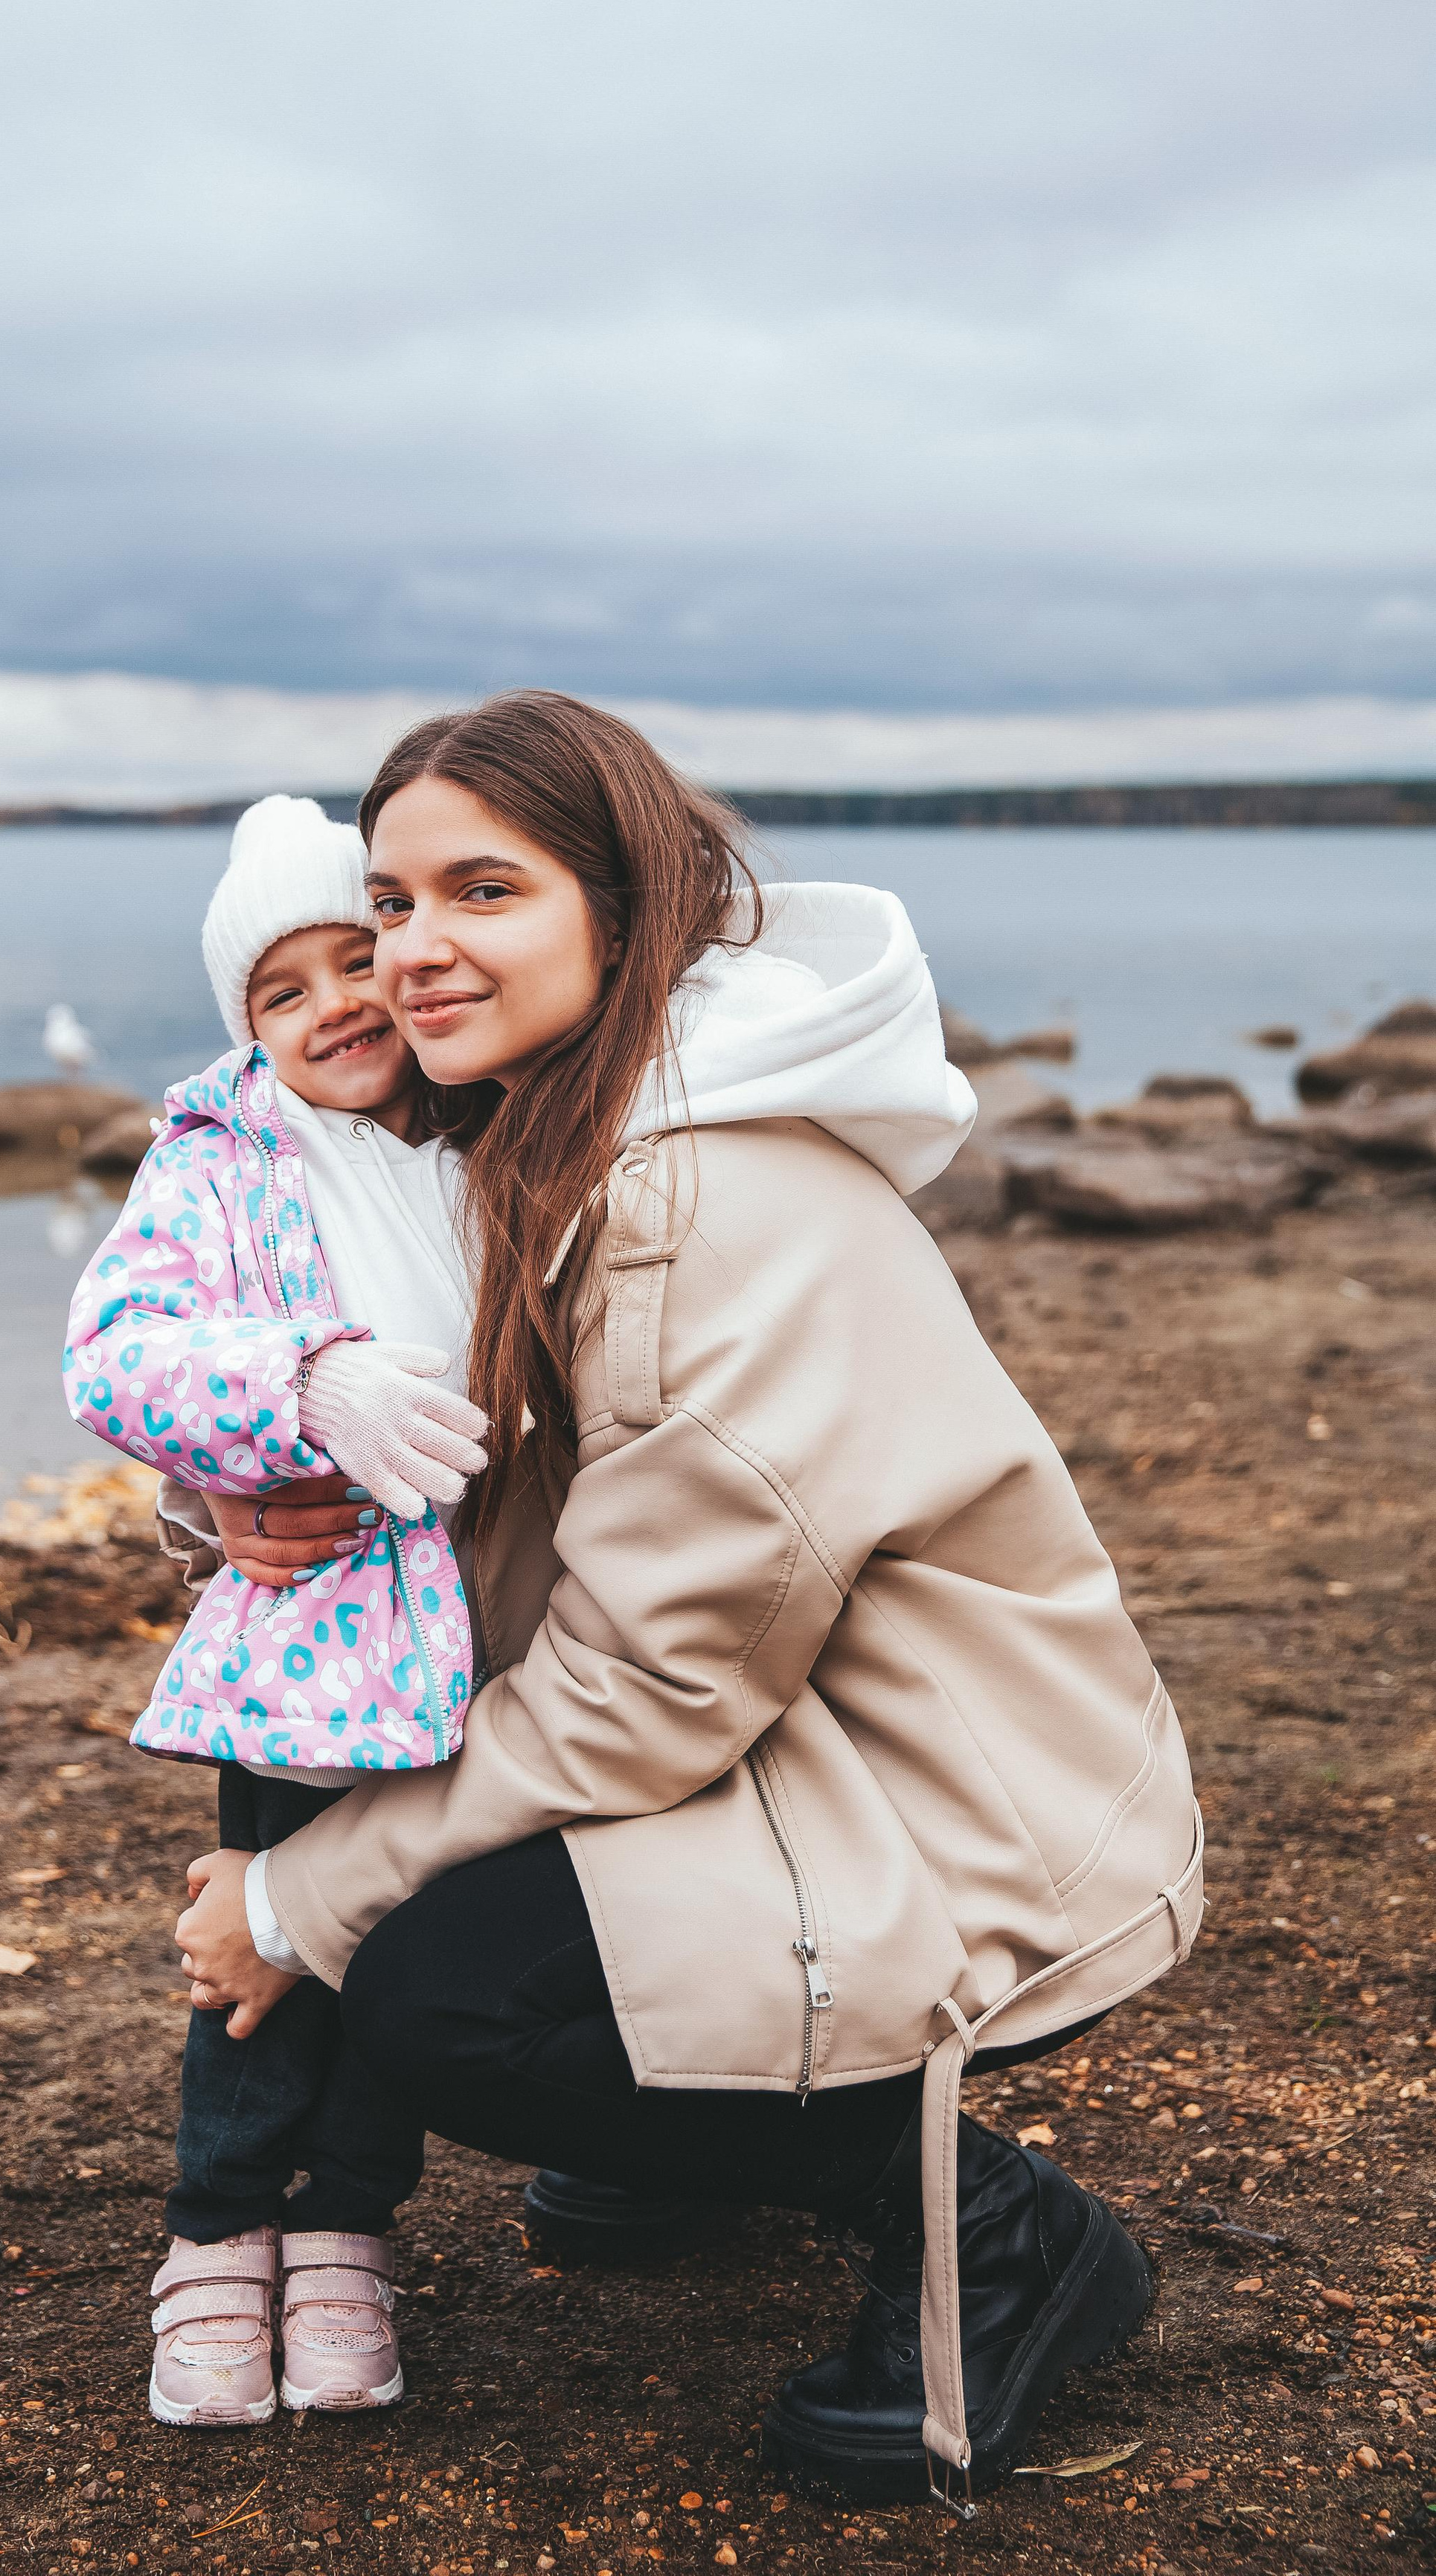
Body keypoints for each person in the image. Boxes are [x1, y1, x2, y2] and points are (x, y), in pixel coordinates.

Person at [174, 693, 1204, 2516]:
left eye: (479, 892)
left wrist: (293, 1895)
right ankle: (682, 2135)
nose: (412, 951)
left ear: (623, 908)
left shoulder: (695, 1194)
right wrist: (244, 1498)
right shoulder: (548, 1126)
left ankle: (997, 2230)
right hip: (778, 1721)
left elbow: (651, 1690)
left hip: (942, 1798)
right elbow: (489, 1484)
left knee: (427, 1992)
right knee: (392, 1866)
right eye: (391, 900)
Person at [64, 793, 489, 2426]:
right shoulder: (222, 1161)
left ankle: (344, 2237)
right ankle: (214, 2236)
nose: (334, 1008)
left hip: (495, 1637)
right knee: (264, 1944)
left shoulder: (485, 1130)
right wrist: (292, 1389)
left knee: (392, 1949)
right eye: (280, 990)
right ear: (244, 1028)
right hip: (319, 1641)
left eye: (355, 959)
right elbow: (118, 1355)